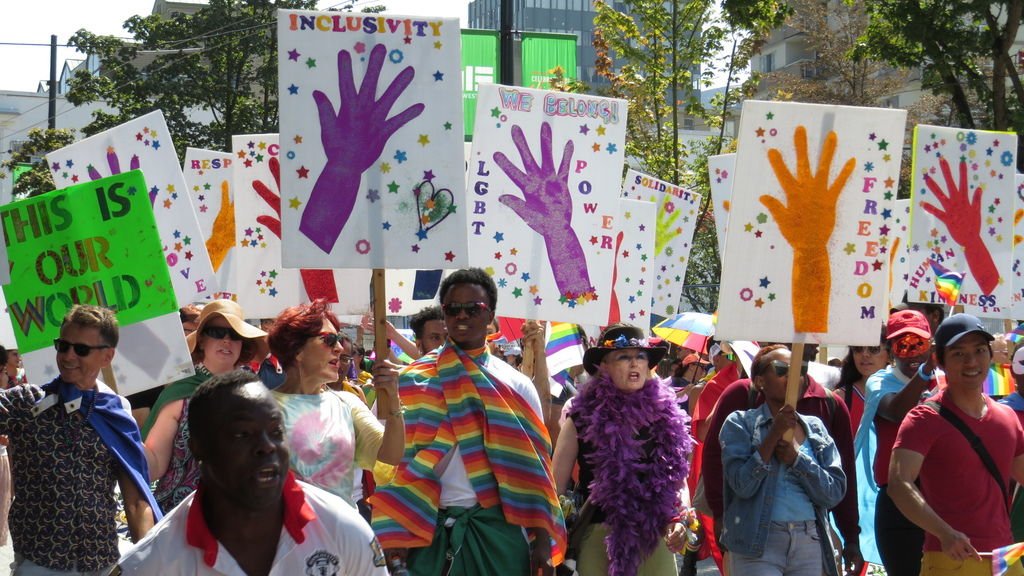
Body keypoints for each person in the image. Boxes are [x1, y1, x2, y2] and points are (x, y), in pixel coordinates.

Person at [370, 268, 566, 575]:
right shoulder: (409, 382)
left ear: (490, 317)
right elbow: (387, 467)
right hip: (424, 532)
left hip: (498, 533)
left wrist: (542, 541)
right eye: (453, 309)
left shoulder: (516, 385)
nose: (462, 316)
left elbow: (534, 470)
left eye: (473, 308)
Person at [117, 370, 389, 575]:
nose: (266, 447)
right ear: (199, 449)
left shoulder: (344, 531)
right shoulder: (154, 563)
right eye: (243, 434)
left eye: (276, 432)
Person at [0, 304, 159, 574]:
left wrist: (147, 564)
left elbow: (135, 502)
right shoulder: (26, 403)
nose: (68, 356)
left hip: (101, 562)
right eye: (63, 346)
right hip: (40, 563)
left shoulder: (117, 415)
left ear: (107, 356)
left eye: (81, 349)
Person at [701, 344, 861, 575]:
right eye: (781, 369)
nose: (793, 376)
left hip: (809, 542)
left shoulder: (816, 428)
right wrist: (773, 435)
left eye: (800, 369)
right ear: (759, 381)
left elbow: (834, 492)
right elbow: (742, 486)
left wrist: (797, 458)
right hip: (756, 541)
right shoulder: (740, 424)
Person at [551, 324, 693, 575]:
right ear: (603, 366)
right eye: (624, 357)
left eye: (640, 356)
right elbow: (555, 487)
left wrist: (681, 518)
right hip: (599, 535)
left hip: (655, 536)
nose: (635, 363)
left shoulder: (666, 415)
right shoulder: (581, 417)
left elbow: (678, 478)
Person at [889, 314, 1024, 575]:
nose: (972, 361)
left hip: (1004, 560)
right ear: (939, 360)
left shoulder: (1007, 417)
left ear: (990, 355)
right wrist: (945, 533)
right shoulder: (924, 418)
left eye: (979, 351)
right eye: (959, 354)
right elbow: (899, 484)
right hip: (949, 559)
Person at [268, 300, 404, 507]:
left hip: (341, 535)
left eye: (338, 339)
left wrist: (393, 400)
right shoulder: (261, 408)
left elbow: (389, 455)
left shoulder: (347, 403)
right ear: (297, 349)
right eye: (329, 339)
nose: (340, 348)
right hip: (286, 535)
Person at [142, 299, 269, 512]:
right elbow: (153, 466)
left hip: (240, 519)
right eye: (217, 332)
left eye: (235, 335)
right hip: (182, 517)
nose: (227, 340)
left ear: (242, 344)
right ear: (201, 341)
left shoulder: (254, 394)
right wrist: (122, 433)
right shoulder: (180, 394)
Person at [854, 309, 938, 574]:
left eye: (919, 343)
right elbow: (897, 410)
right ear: (891, 350)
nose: (912, 352)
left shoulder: (947, 380)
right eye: (903, 344)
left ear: (931, 345)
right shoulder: (880, 382)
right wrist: (924, 374)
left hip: (943, 499)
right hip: (898, 504)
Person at [127, 303, 204, 426]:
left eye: (200, 333)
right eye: (189, 331)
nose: (195, 337)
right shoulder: (145, 379)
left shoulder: (205, 374)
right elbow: (140, 428)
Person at [834, 329, 891, 434]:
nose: (865, 354)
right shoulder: (840, 398)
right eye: (858, 348)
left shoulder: (903, 393)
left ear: (889, 355)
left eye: (874, 349)